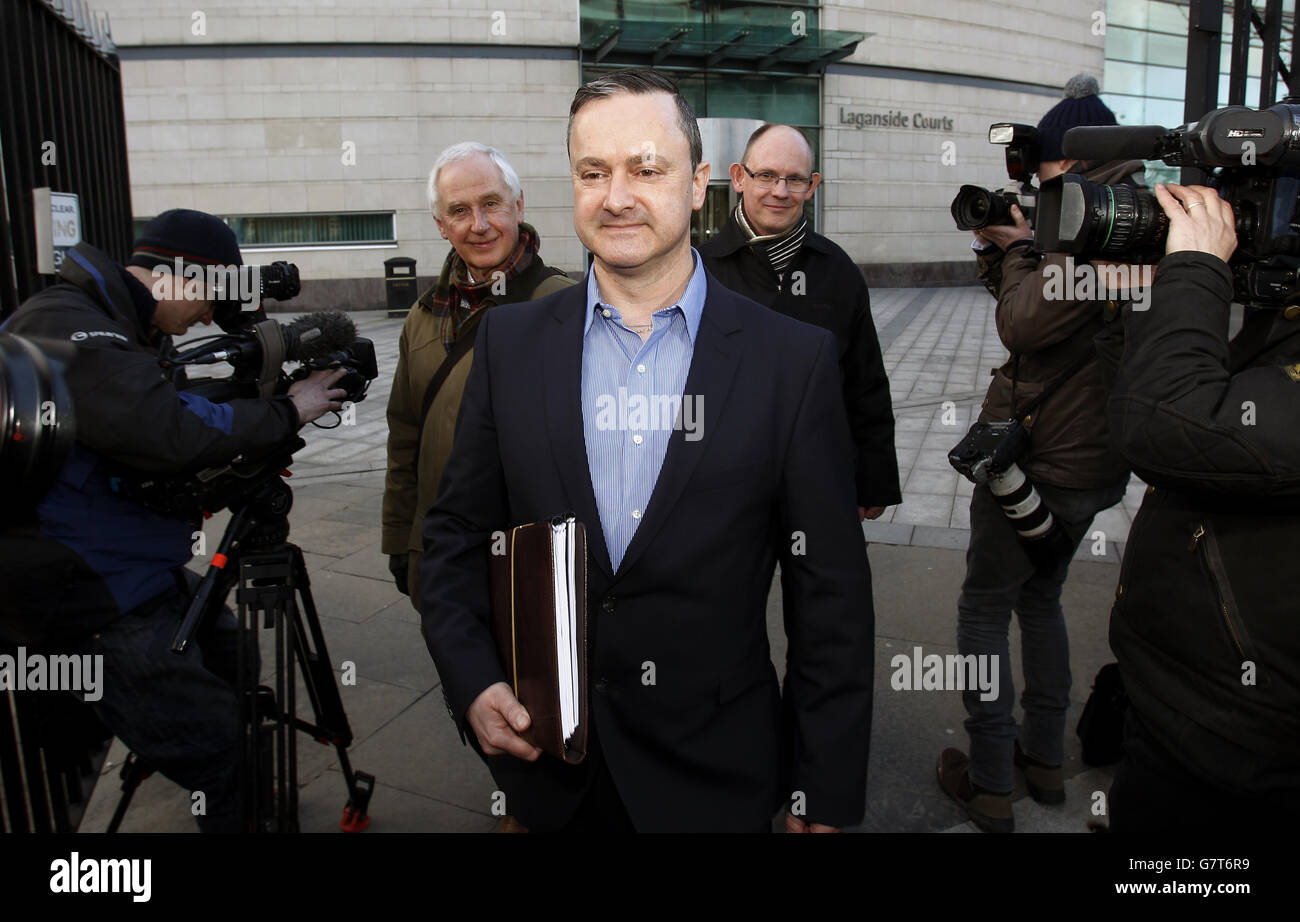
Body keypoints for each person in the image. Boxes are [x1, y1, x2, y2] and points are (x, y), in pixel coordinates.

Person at [418, 68, 874, 833]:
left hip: (716, 771)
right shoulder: (512, 341)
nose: (617, 195)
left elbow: (829, 597)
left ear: (699, 185)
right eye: (593, 172)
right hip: (550, 770)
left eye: (646, 169)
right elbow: (456, 535)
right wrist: (471, 677)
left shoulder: (790, 361)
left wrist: (821, 785)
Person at [1, 210, 346, 832]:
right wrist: (290, 411)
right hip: (89, 595)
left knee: (233, 657)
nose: (211, 316)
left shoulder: (115, 323)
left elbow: (160, 407)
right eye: (215, 296)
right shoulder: (68, 324)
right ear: (190, 274)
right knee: (218, 743)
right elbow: (168, 429)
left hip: (128, 568)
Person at [936, 75, 1140, 832]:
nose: (1032, 185)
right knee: (1042, 599)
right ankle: (1046, 764)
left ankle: (990, 782)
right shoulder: (1138, 215)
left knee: (984, 610)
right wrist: (1012, 253)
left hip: (1040, 464)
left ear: (1073, 162)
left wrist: (1020, 247)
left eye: (1043, 169)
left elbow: (1024, 326)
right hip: (1094, 465)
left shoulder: (1097, 226)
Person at [1107, 182, 1300, 833]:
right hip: (1182, 708)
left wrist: (1197, 270)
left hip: (1241, 749)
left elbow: (1169, 423)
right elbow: (1173, 390)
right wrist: (1158, 293)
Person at [382, 142, 573, 607]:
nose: (480, 225)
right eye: (460, 211)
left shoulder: (566, 306)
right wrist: (402, 542)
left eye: (491, 203)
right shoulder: (423, 316)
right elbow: (405, 434)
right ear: (441, 226)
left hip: (532, 559)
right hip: (441, 555)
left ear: (518, 205)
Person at [700, 123, 900, 521]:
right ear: (739, 178)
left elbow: (866, 383)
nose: (780, 191)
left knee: (832, 583)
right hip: (723, 484)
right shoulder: (698, 271)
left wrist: (874, 478)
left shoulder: (838, 271)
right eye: (767, 176)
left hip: (820, 476)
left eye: (794, 179)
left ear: (812, 186)